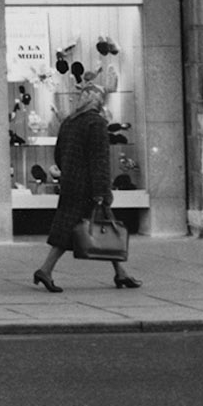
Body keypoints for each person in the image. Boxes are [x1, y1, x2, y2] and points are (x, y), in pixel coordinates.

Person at [34, 82, 140, 292]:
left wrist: (69, 173)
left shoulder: (69, 122)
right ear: (97, 101)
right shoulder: (96, 123)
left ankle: (120, 272)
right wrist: (101, 191)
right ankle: (45, 270)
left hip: (71, 183)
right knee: (100, 228)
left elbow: (58, 154)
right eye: (101, 99)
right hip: (89, 188)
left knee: (93, 227)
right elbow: (99, 160)